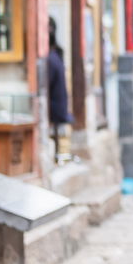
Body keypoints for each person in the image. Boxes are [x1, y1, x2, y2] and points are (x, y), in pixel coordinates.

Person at [47, 17, 73, 162]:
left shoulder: (52, 58)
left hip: (56, 107)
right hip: (59, 105)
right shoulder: (56, 54)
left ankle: (58, 155)